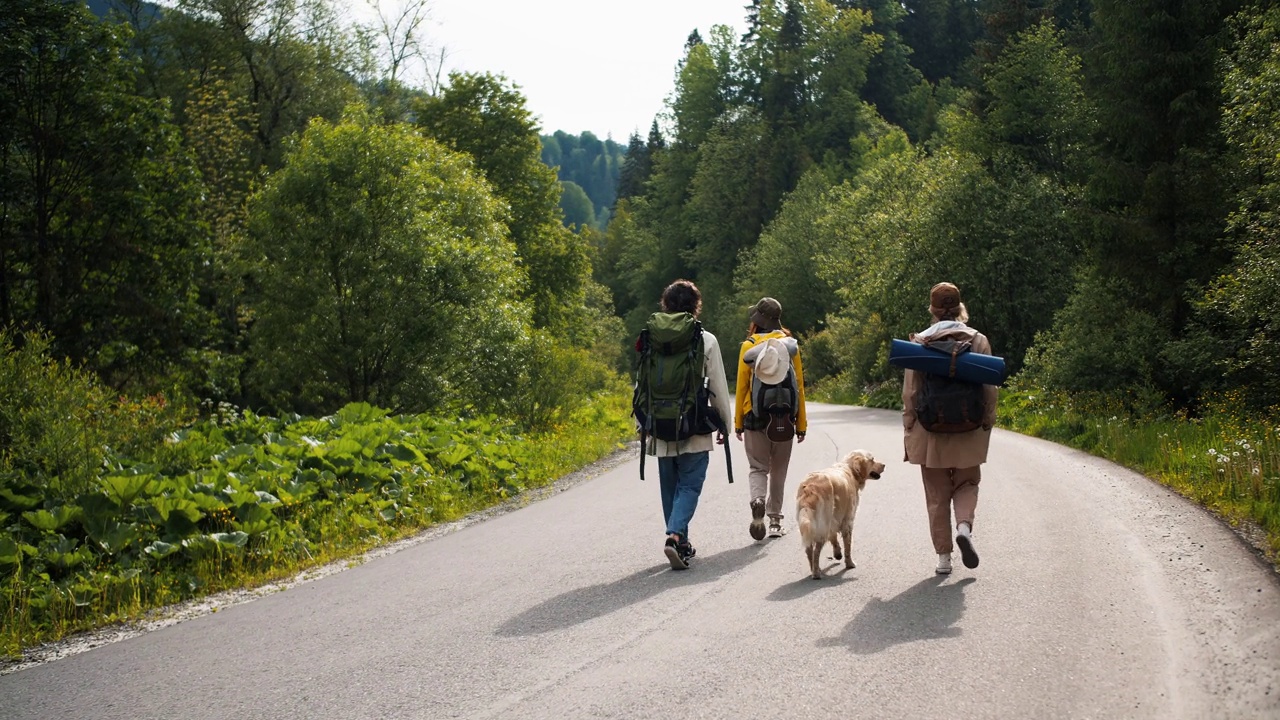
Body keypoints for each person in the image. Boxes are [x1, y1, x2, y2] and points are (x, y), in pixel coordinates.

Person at [901, 282, 998, 575]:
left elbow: (911, 391)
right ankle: (964, 528)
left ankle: (944, 558)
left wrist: (909, 426)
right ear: (960, 308)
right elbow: (989, 386)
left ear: (932, 310)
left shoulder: (919, 342)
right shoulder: (978, 340)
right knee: (967, 483)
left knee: (936, 494)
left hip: (930, 430)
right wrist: (987, 420)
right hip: (969, 427)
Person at [646, 280, 733, 570]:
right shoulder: (705, 339)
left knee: (669, 486)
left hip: (659, 424)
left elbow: (641, 384)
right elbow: (718, 385)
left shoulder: (651, 337)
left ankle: (680, 541)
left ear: (665, 304)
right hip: (693, 424)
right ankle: (674, 536)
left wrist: (641, 422)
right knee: (690, 484)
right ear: (696, 306)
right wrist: (724, 423)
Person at [734, 297, 807, 540]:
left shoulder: (748, 347)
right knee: (779, 470)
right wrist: (802, 424)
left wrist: (737, 423)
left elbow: (742, 387)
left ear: (757, 320)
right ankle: (775, 521)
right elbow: (798, 387)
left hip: (754, 417)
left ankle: (757, 500)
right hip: (785, 418)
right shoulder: (789, 345)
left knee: (758, 467)